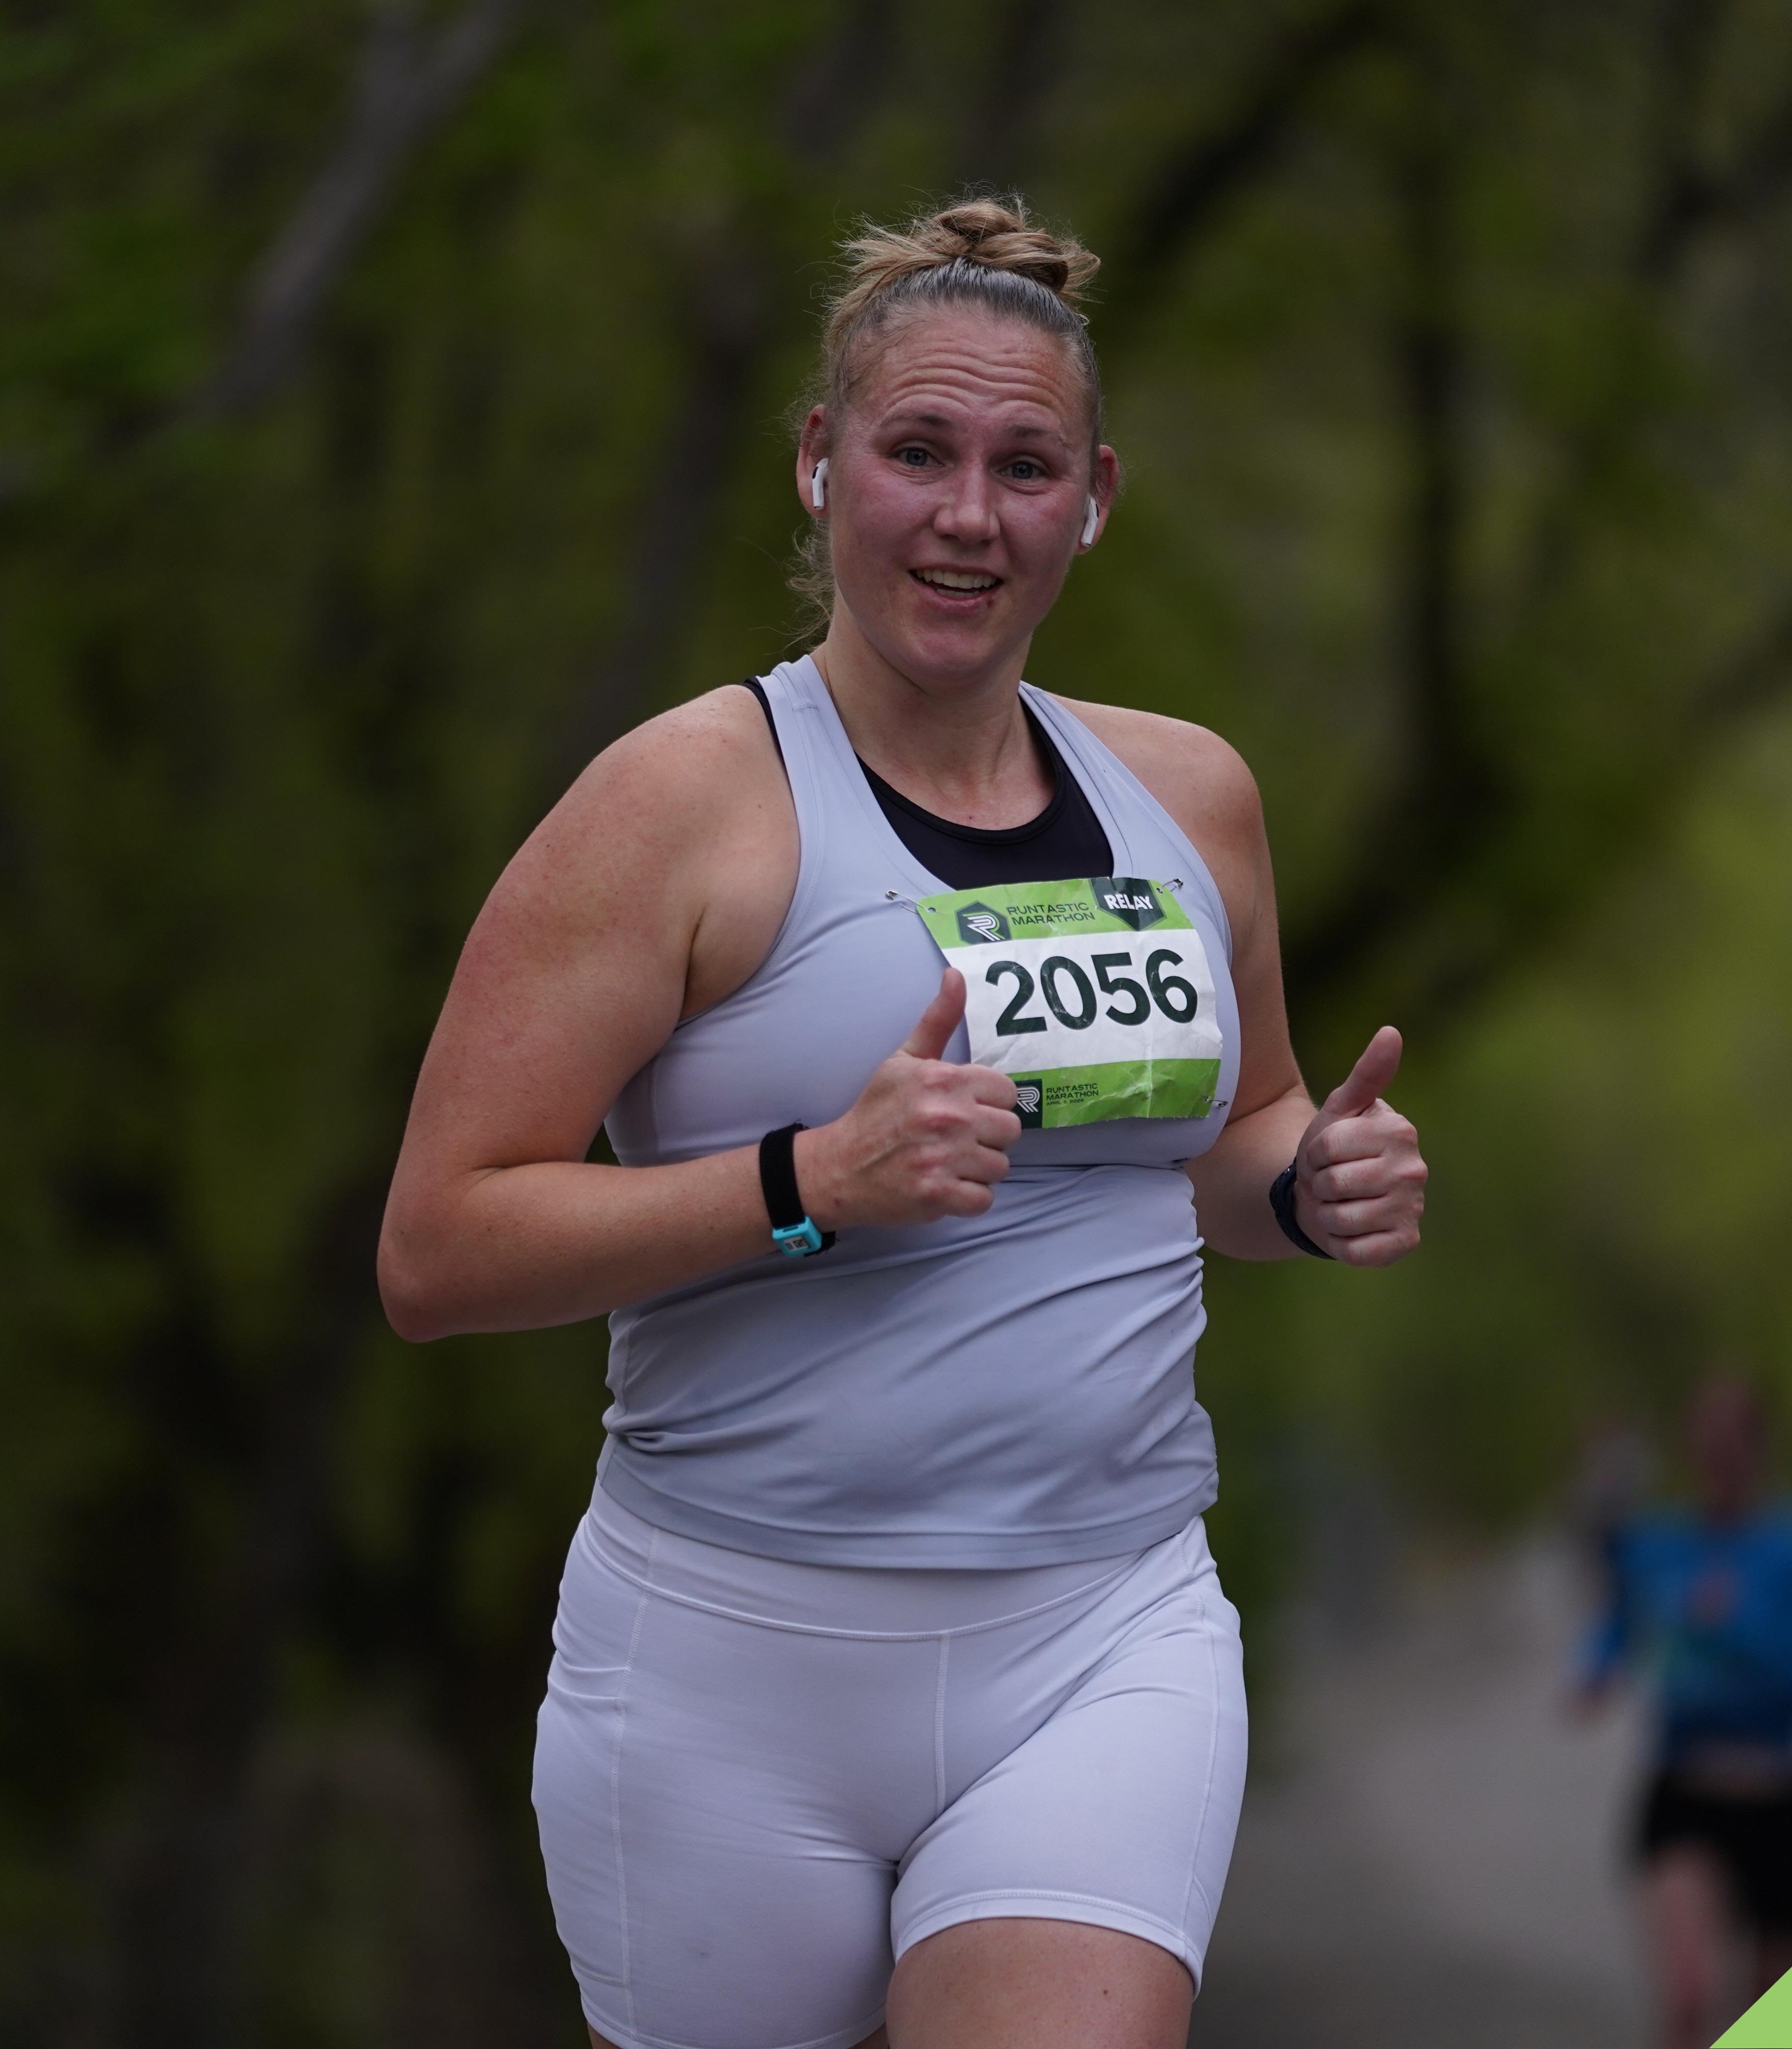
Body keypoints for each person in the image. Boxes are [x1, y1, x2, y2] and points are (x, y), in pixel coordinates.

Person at [378, 197, 1429, 2049]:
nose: (968, 515)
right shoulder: (681, 804)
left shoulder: (1190, 797)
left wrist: (1309, 1184)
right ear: (817, 462)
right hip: (729, 1660)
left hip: (1099, 1630)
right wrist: (808, 1180)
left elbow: (1233, 1138)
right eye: (916, 453)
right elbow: (436, 1248)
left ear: (1092, 498)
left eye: (1024, 468)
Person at [1576, 1379, 1792, 2049]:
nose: (1720, 1458)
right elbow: (1621, 1618)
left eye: (1733, 1443)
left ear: (1759, 1450)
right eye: (1708, 1443)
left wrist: (1740, 1634)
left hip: (1778, 1799)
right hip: (1684, 1793)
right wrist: (1594, 1668)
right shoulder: (1663, 1544)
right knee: (1689, 1997)